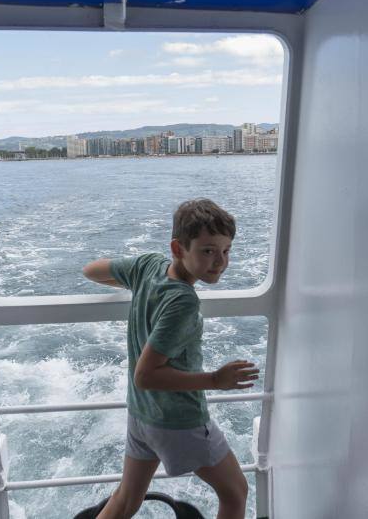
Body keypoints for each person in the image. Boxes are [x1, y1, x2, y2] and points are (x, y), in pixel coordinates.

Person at [81, 198, 259, 519]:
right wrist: (215, 380)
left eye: (226, 250)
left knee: (125, 499)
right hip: (179, 420)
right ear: (178, 248)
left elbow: (91, 270)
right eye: (207, 251)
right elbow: (145, 375)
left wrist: (131, 281)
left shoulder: (148, 266)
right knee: (235, 492)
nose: (220, 262)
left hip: (141, 415)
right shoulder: (183, 302)